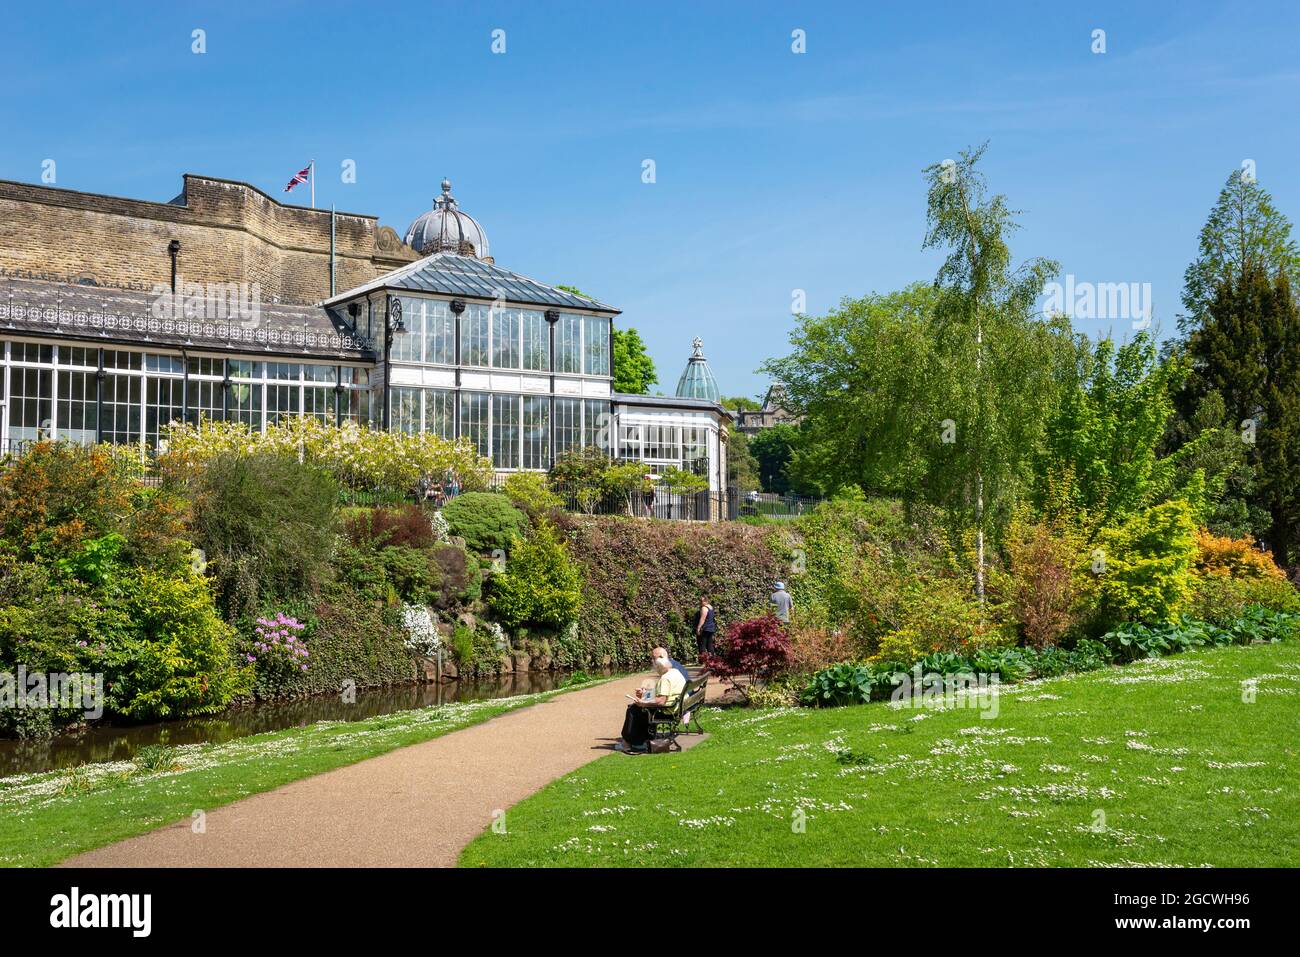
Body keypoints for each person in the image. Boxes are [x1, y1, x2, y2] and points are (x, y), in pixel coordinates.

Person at [619, 651, 686, 754]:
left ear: (658, 667)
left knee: (633, 710)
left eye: (654, 664)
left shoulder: (665, 678)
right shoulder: (675, 672)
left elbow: (661, 701)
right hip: (676, 709)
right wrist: (645, 694)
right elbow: (664, 694)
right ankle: (639, 740)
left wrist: (643, 703)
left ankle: (631, 742)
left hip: (667, 712)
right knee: (637, 708)